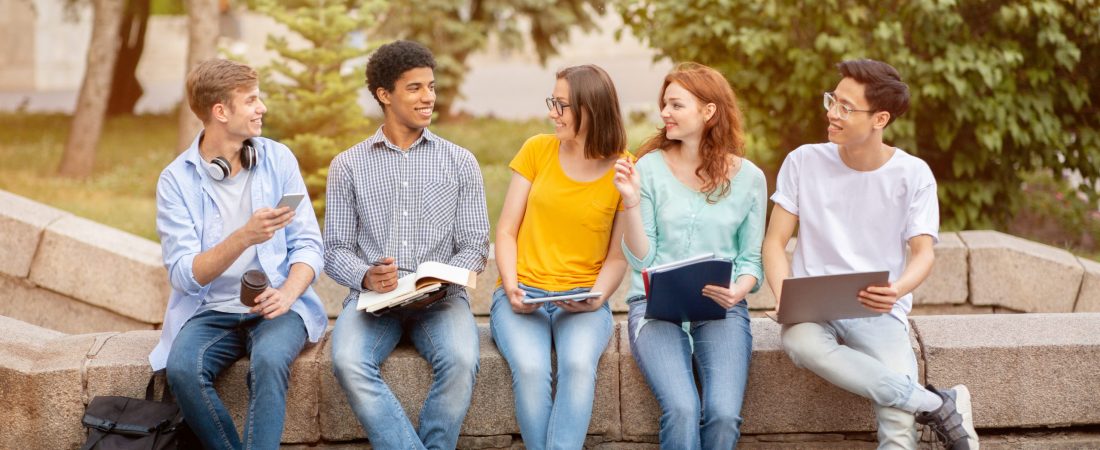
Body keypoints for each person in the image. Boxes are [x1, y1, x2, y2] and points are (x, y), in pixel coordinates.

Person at [762, 59, 979, 449]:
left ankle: (924, 403)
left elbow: (923, 254)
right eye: (833, 100)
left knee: (897, 420)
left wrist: (897, 290)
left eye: (846, 107)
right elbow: (774, 242)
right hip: (814, 310)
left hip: (879, 310)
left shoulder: (913, 175)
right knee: (799, 343)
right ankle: (937, 402)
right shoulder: (803, 161)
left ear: (880, 118)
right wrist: (785, 297)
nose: (832, 113)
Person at [151, 58, 327, 450]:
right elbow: (183, 274)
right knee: (181, 370)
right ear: (220, 111)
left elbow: (309, 245)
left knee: (268, 362)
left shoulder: (278, 160)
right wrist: (244, 236)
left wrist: (288, 293)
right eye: (251, 100)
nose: (261, 108)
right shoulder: (176, 181)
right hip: (210, 309)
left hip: (278, 307)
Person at [324, 40, 490, 449]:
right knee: (347, 360)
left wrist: (440, 280)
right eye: (415, 88)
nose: (428, 97)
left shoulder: (460, 161)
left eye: (431, 86)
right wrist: (365, 274)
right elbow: (335, 248)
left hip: (441, 300)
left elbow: (474, 244)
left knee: (462, 360)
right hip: (373, 302)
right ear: (385, 95)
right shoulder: (348, 165)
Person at [612, 62, 765, 449]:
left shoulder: (749, 178)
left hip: (722, 307)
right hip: (655, 307)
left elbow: (750, 263)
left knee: (723, 415)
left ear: (708, 112)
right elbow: (642, 262)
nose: (665, 114)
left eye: (676, 105)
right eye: (664, 104)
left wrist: (737, 291)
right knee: (681, 409)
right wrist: (630, 203)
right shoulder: (647, 169)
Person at [490, 64, 629, 450]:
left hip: (585, 297)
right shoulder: (537, 150)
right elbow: (505, 231)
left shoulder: (622, 168)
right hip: (524, 294)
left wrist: (597, 297)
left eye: (562, 105)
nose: (552, 112)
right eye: (553, 102)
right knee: (532, 369)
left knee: (578, 366)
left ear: (592, 109)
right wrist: (513, 288)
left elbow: (618, 258)